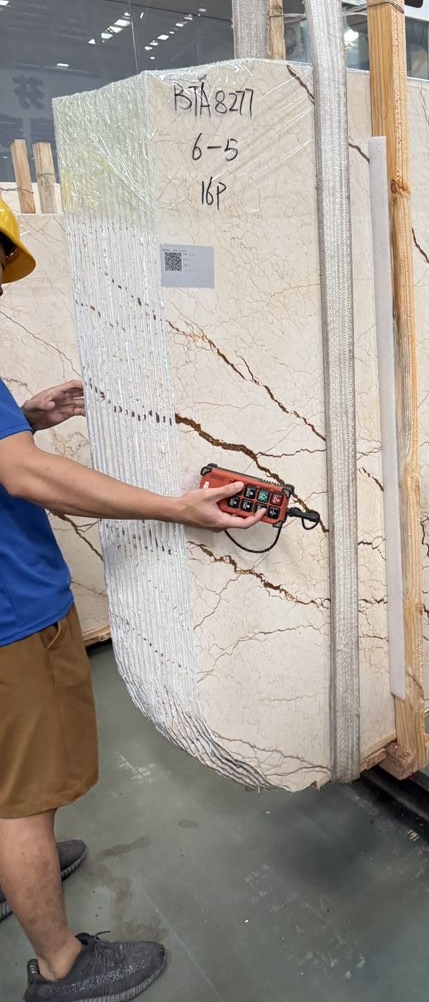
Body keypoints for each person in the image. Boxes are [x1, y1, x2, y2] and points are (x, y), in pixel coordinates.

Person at [0, 201, 266, 1002]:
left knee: (9, 781)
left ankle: (14, 873)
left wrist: (22, 418)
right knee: (23, 803)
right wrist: (175, 507)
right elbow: (26, 476)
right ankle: (60, 968)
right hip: (10, 617)